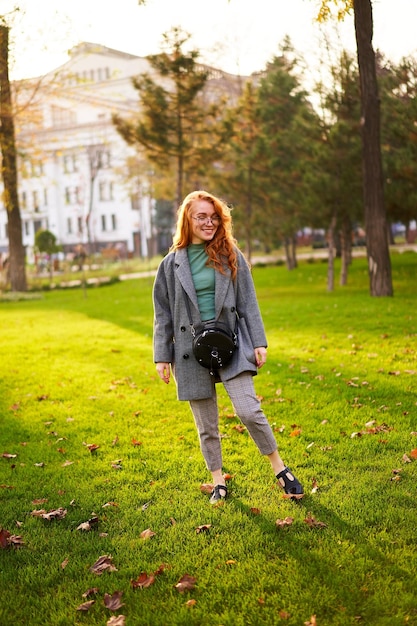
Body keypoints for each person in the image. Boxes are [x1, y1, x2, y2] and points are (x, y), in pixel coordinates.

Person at [153, 190, 304, 504]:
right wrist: (161, 357)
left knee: (249, 410)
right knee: (206, 424)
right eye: (201, 217)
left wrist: (259, 341)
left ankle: (280, 468)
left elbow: (248, 300)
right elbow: (162, 313)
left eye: (213, 217)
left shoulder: (229, 252)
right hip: (188, 351)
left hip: (232, 343)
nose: (209, 223)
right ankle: (218, 481)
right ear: (187, 220)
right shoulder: (170, 265)